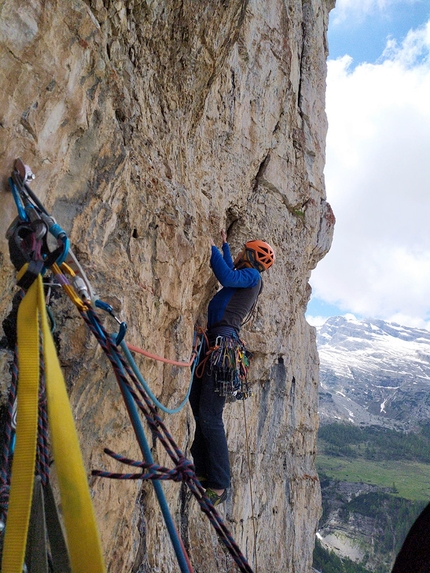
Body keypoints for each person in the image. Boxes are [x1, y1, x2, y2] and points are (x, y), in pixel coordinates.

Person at [189, 230, 275, 505]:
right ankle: (202, 470)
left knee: (210, 414)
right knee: (197, 405)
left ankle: (220, 484)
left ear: (250, 255)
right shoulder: (246, 278)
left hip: (223, 344)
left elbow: (225, 275)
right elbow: (229, 270)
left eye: (241, 251)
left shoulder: (253, 276)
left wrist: (211, 246)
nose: (237, 254)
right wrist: (225, 246)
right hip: (216, 342)